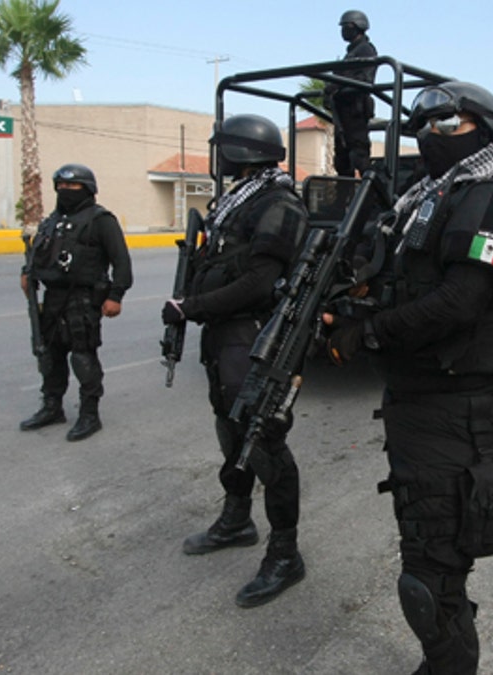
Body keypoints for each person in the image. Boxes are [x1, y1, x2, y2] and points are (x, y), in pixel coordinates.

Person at [323, 82, 493, 674]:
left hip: (464, 407)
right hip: (422, 403)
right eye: (423, 127)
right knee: (437, 562)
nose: (431, 138)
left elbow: (459, 302)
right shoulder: (428, 200)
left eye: (449, 125)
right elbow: (398, 285)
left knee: (427, 578)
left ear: (489, 131)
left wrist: (368, 336)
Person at [161, 114, 309, 608]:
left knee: (264, 444)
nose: (218, 156)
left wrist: (194, 307)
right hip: (224, 337)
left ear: (243, 152)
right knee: (230, 431)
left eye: (223, 148)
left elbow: (259, 283)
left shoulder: (279, 205)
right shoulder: (235, 202)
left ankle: (285, 554)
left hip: (256, 337)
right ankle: (237, 519)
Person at [19, 164, 133, 442]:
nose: (66, 191)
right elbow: (37, 255)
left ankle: (89, 414)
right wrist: (26, 274)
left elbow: (121, 262)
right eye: (61, 186)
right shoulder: (52, 221)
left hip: (83, 299)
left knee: (83, 358)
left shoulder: (101, 220)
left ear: (88, 189)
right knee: (49, 356)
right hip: (53, 298)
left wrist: (115, 296)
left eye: (73, 186)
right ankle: (52, 407)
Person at [326, 9, 378, 178]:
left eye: (346, 27)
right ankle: (344, 197)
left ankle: (372, 197)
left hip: (355, 111)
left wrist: (339, 85)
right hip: (343, 113)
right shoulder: (350, 53)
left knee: (359, 157)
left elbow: (365, 80)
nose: (343, 31)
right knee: (342, 159)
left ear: (357, 27)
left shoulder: (366, 50)